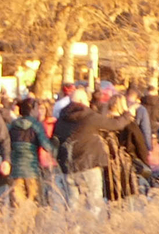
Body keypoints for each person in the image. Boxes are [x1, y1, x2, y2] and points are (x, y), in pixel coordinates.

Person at [52, 83, 133, 213]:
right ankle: (92, 229)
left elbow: (55, 140)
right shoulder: (89, 117)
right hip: (89, 164)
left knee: (73, 203)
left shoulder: (62, 118)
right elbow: (115, 125)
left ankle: (75, 231)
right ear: (82, 101)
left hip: (69, 167)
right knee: (94, 202)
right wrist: (127, 116)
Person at [1, 95, 51, 205]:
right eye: (37, 108)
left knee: (17, 208)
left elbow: (2, 146)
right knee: (34, 205)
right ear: (32, 110)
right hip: (32, 171)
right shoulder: (37, 126)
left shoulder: (12, 126)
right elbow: (47, 146)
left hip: (15, 172)